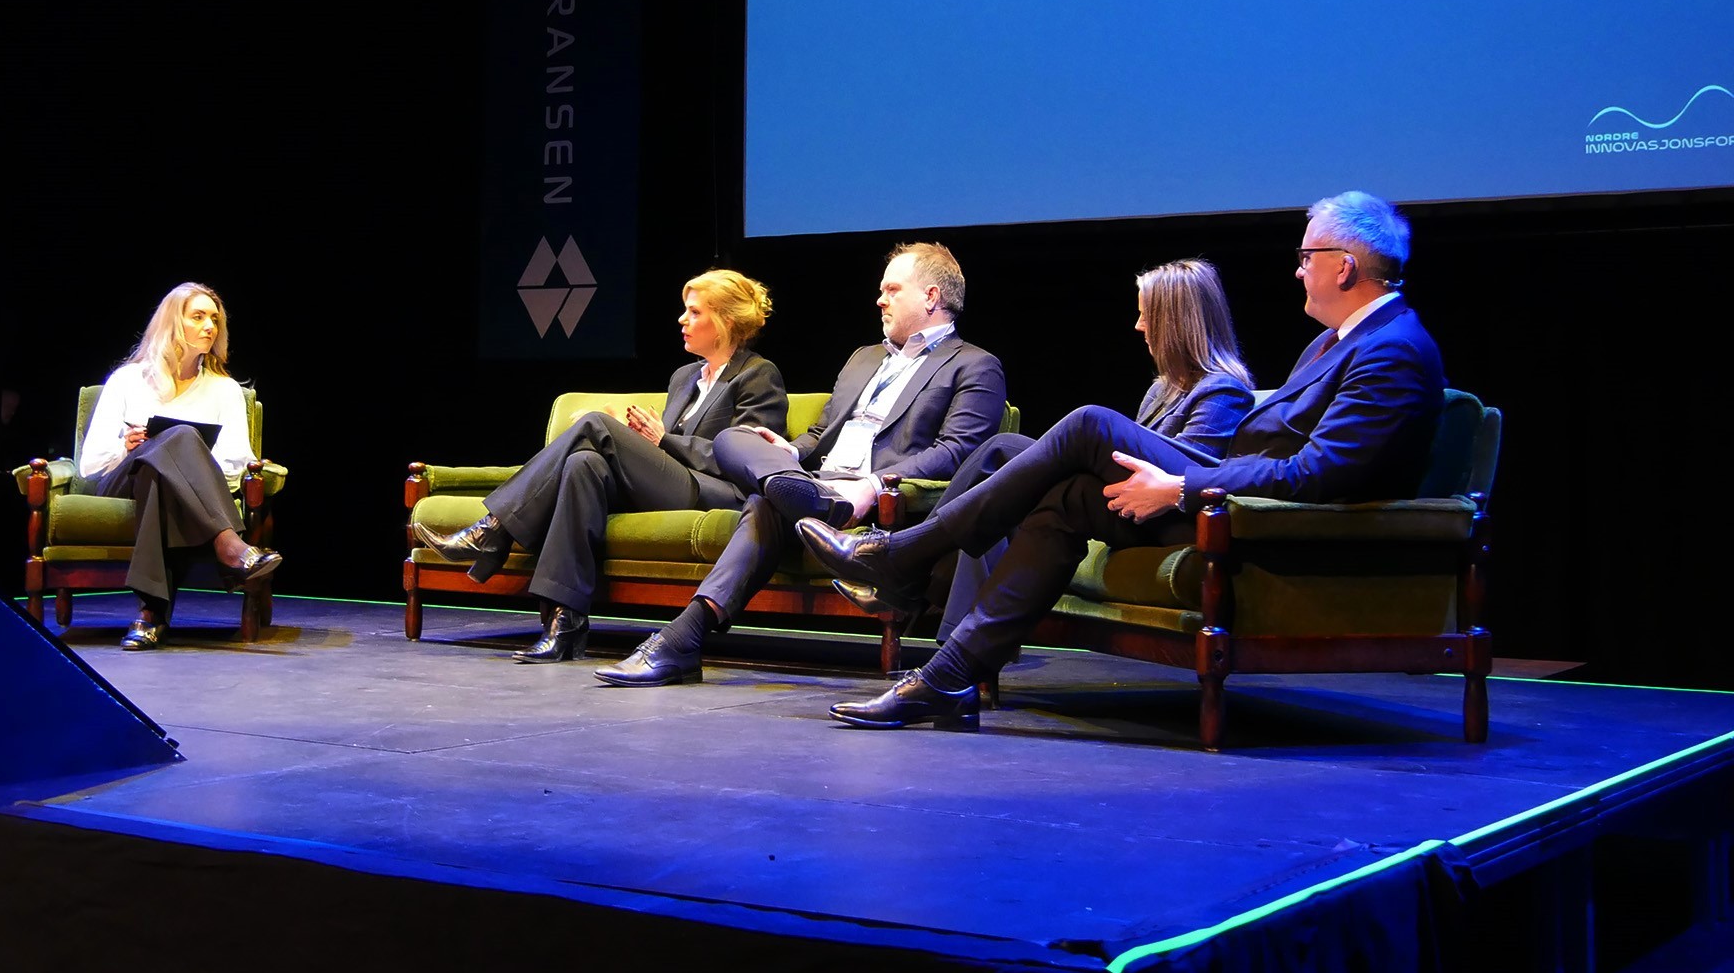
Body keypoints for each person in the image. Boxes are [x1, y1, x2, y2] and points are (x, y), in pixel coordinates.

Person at [806, 191, 1445, 729]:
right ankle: (947, 677)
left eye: (1307, 257)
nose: (1298, 271)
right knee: (1062, 501)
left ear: (1344, 266)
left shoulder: (1391, 349)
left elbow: (1316, 473)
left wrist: (1180, 486)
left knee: (1091, 423)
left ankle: (902, 557)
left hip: (1250, 520)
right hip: (1229, 501)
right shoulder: (1334, 344)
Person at [594, 242, 1007, 687]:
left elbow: (956, 452)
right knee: (735, 438)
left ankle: (681, 640)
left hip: (875, 496)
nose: (879, 300)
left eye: (891, 290)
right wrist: (790, 451)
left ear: (930, 296)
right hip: (817, 482)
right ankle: (808, 499)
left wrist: (869, 486)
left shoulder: (974, 365)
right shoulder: (864, 358)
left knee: (764, 503)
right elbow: (822, 432)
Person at [835, 258, 1255, 630]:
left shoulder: (1223, 391)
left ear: (1177, 323)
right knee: (1000, 453)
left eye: (1148, 315)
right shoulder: (1162, 390)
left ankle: (906, 566)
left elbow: (1181, 478)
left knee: (1020, 447)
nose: (1138, 325)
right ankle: (915, 583)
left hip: (1163, 518)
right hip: (1123, 504)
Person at [411, 271, 787, 663]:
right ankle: (565, 625)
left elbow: (749, 458)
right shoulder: (684, 377)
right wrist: (639, 441)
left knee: (594, 424)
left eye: (694, 312)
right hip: (670, 483)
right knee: (583, 464)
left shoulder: (758, 374)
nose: (682, 319)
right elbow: (661, 450)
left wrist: (664, 440)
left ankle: (493, 529)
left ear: (726, 320)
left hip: (714, 492)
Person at [80, 283, 282, 650]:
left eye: (215, 319)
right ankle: (230, 545)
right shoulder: (128, 380)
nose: (210, 327)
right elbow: (90, 463)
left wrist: (185, 466)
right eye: (198, 317)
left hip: (161, 487)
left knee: (161, 470)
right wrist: (126, 447)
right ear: (174, 323)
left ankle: (150, 615)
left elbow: (236, 461)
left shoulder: (224, 389)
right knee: (179, 438)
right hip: (120, 481)